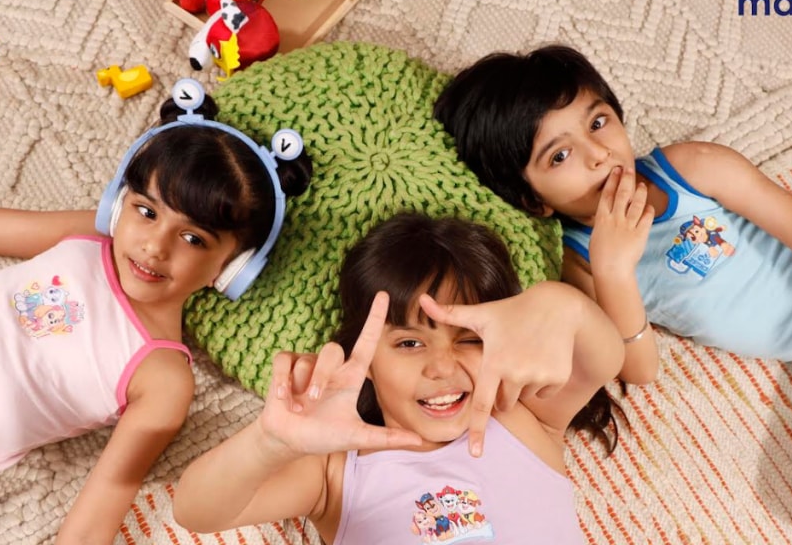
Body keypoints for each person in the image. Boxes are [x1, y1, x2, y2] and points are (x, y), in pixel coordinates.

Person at [432, 44, 792, 544]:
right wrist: (614, 271)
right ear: (532, 201)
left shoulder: (693, 170)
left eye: (598, 123)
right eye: (560, 156)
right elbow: (641, 369)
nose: (598, 153)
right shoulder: (581, 266)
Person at [0, 80, 312, 545]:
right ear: (118, 204)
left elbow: (97, 512)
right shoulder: (90, 237)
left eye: (193, 238)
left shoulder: (163, 377)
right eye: (146, 212)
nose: (154, 246)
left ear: (234, 268)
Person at [173, 212, 626, 544]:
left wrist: (556, 301)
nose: (442, 366)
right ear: (367, 360)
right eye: (409, 343)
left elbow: (603, 355)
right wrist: (270, 442)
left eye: (470, 338)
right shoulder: (337, 473)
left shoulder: (523, 416)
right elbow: (197, 510)